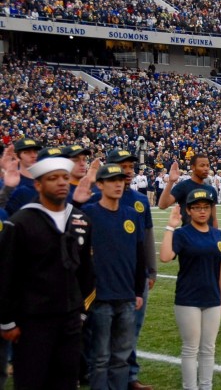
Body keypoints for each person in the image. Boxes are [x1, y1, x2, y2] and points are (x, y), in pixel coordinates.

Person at [0, 156, 94, 389]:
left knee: (65, 381)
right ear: (38, 185)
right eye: (53, 178)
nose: (61, 182)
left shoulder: (80, 219)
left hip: (70, 319)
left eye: (64, 177)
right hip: (33, 321)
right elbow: (6, 274)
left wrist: (81, 312)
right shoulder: (20, 222)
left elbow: (86, 271)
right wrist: (7, 321)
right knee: (32, 381)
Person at [81, 164, 146, 390]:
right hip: (100, 297)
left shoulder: (132, 214)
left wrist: (138, 292)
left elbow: (140, 254)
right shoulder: (88, 213)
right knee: (100, 358)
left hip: (127, 297)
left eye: (121, 179)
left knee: (121, 357)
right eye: (112, 180)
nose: (118, 184)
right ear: (100, 185)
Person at [159, 189, 221, 390]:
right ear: (188, 210)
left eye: (206, 207)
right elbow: (164, 257)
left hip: (212, 298)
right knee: (191, 348)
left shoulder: (218, 234)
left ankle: (206, 386)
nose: (202, 212)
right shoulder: (181, 234)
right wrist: (170, 228)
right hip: (188, 298)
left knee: (208, 348)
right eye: (197, 208)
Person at [103, 150, 156, 390]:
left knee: (133, 327)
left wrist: (151, 271)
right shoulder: (98, 198)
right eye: (122, 166)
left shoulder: (140, 200)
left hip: (136, 276)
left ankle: (130, 376)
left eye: (130, 166)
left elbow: (147, 238)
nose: (127, 170)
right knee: (105, 329)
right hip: (109, 275)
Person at [158, 154, 218, 228]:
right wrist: (171, 182)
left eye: (208, 165)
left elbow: (214, 218)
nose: (206, 168)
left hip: (208, 236)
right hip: (188, 235)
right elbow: (162, 205)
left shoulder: (211, 189)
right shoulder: (183, 186)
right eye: (202, 166)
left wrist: (216, 234)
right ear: (193, 167)